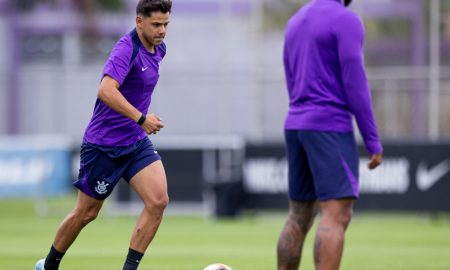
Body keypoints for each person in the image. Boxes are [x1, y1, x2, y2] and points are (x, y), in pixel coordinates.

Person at [34, 1, 172, 269]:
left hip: (135, 141)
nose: (162, 30)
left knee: (158, 201)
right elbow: (106, 91)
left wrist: (138, 124)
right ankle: (49, 265)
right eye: (156, 24)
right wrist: (142, 119)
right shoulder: (126, 49)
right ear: (139, 21)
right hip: (104, 145)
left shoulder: (159, 49)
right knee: (86, 213)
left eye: (166, 24)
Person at [277, 0, 383, 269]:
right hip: (329, 126)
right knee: (336, 216)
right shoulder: (346, 19)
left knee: (298, 217)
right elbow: (355, 80)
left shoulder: (295, 21)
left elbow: (290, 76)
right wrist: (371, 137)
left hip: (296, 121)